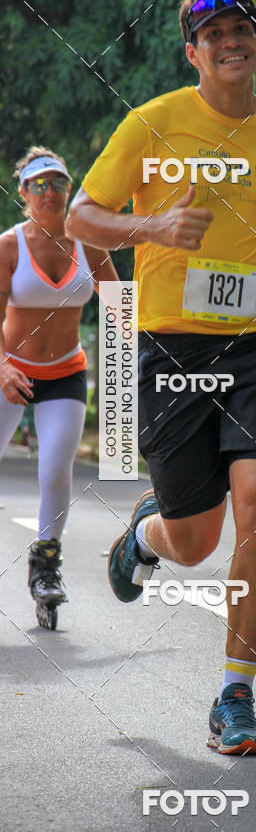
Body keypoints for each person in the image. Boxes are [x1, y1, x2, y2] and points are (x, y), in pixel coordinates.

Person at [66, 0, 256, 755]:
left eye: (243, 27)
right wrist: (151, 224)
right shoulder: (153, 124)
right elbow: (85, 214)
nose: (231, 40)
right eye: (214, 32)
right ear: (193, 51)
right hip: (174, 347)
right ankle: (144, 539)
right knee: (194, 540)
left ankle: (234, 694)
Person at [0, 147, 118, 629]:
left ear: (70, 190)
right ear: (24, 193)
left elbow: (120, 306)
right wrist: (2, 367)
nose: (51, 192)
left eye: (59, 184)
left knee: (53, 469)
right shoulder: (9, 246)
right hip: (11, 371)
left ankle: (46, 566)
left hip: (67, 373)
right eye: (40, 185)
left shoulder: (89, 242)